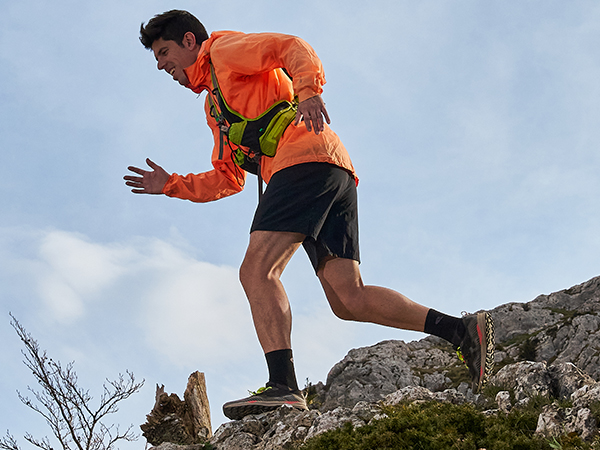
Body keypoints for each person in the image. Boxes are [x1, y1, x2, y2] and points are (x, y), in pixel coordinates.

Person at [124, 10, 495, 421]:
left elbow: (291, 47)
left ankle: (283, 387)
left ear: (190, 42)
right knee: (347, 298)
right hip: (330, 170)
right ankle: (460, 331)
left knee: (256, 271)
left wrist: (309, 92)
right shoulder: (215, 107)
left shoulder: (225, 52)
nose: (161, 64)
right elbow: (229, 179)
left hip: (302, 162)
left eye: (164, 52)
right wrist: (172, 184)